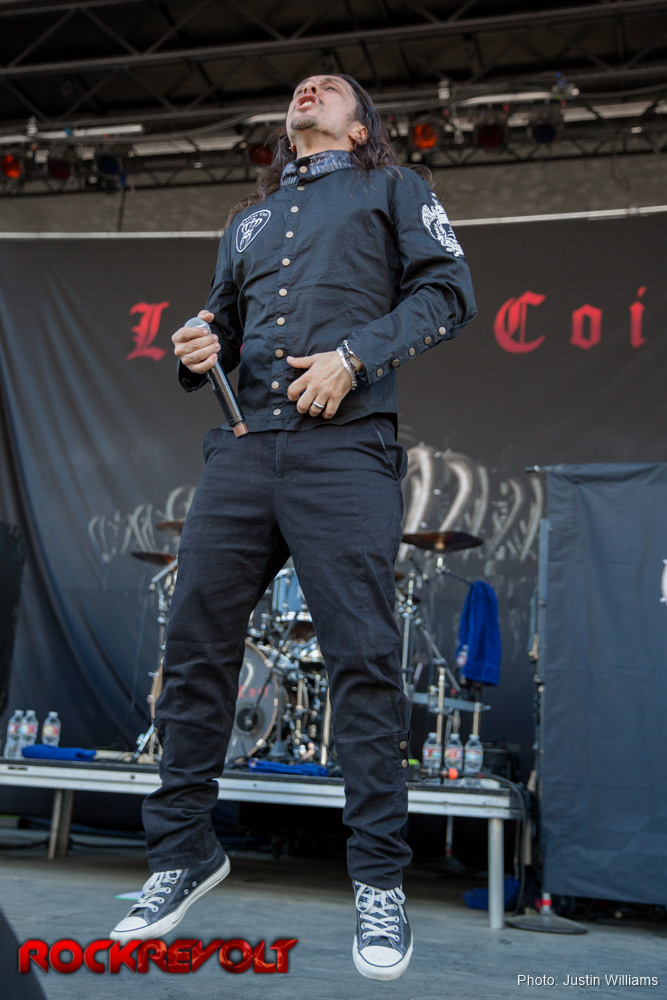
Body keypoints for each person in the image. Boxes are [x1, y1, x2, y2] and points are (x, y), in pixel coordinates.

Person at [110, 72, 477, 981]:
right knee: (194, 649)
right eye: (303, 84)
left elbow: (449, 291)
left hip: (344, 449)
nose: (310, 85)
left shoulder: (394, 187)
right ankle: (182, 853)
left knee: (362, 659)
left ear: (358, 128)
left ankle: (379, 881)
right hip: (242, 451)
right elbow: (223, 328)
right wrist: (199, 345)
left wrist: (354, 357)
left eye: (333, 86)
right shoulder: (247, 220)